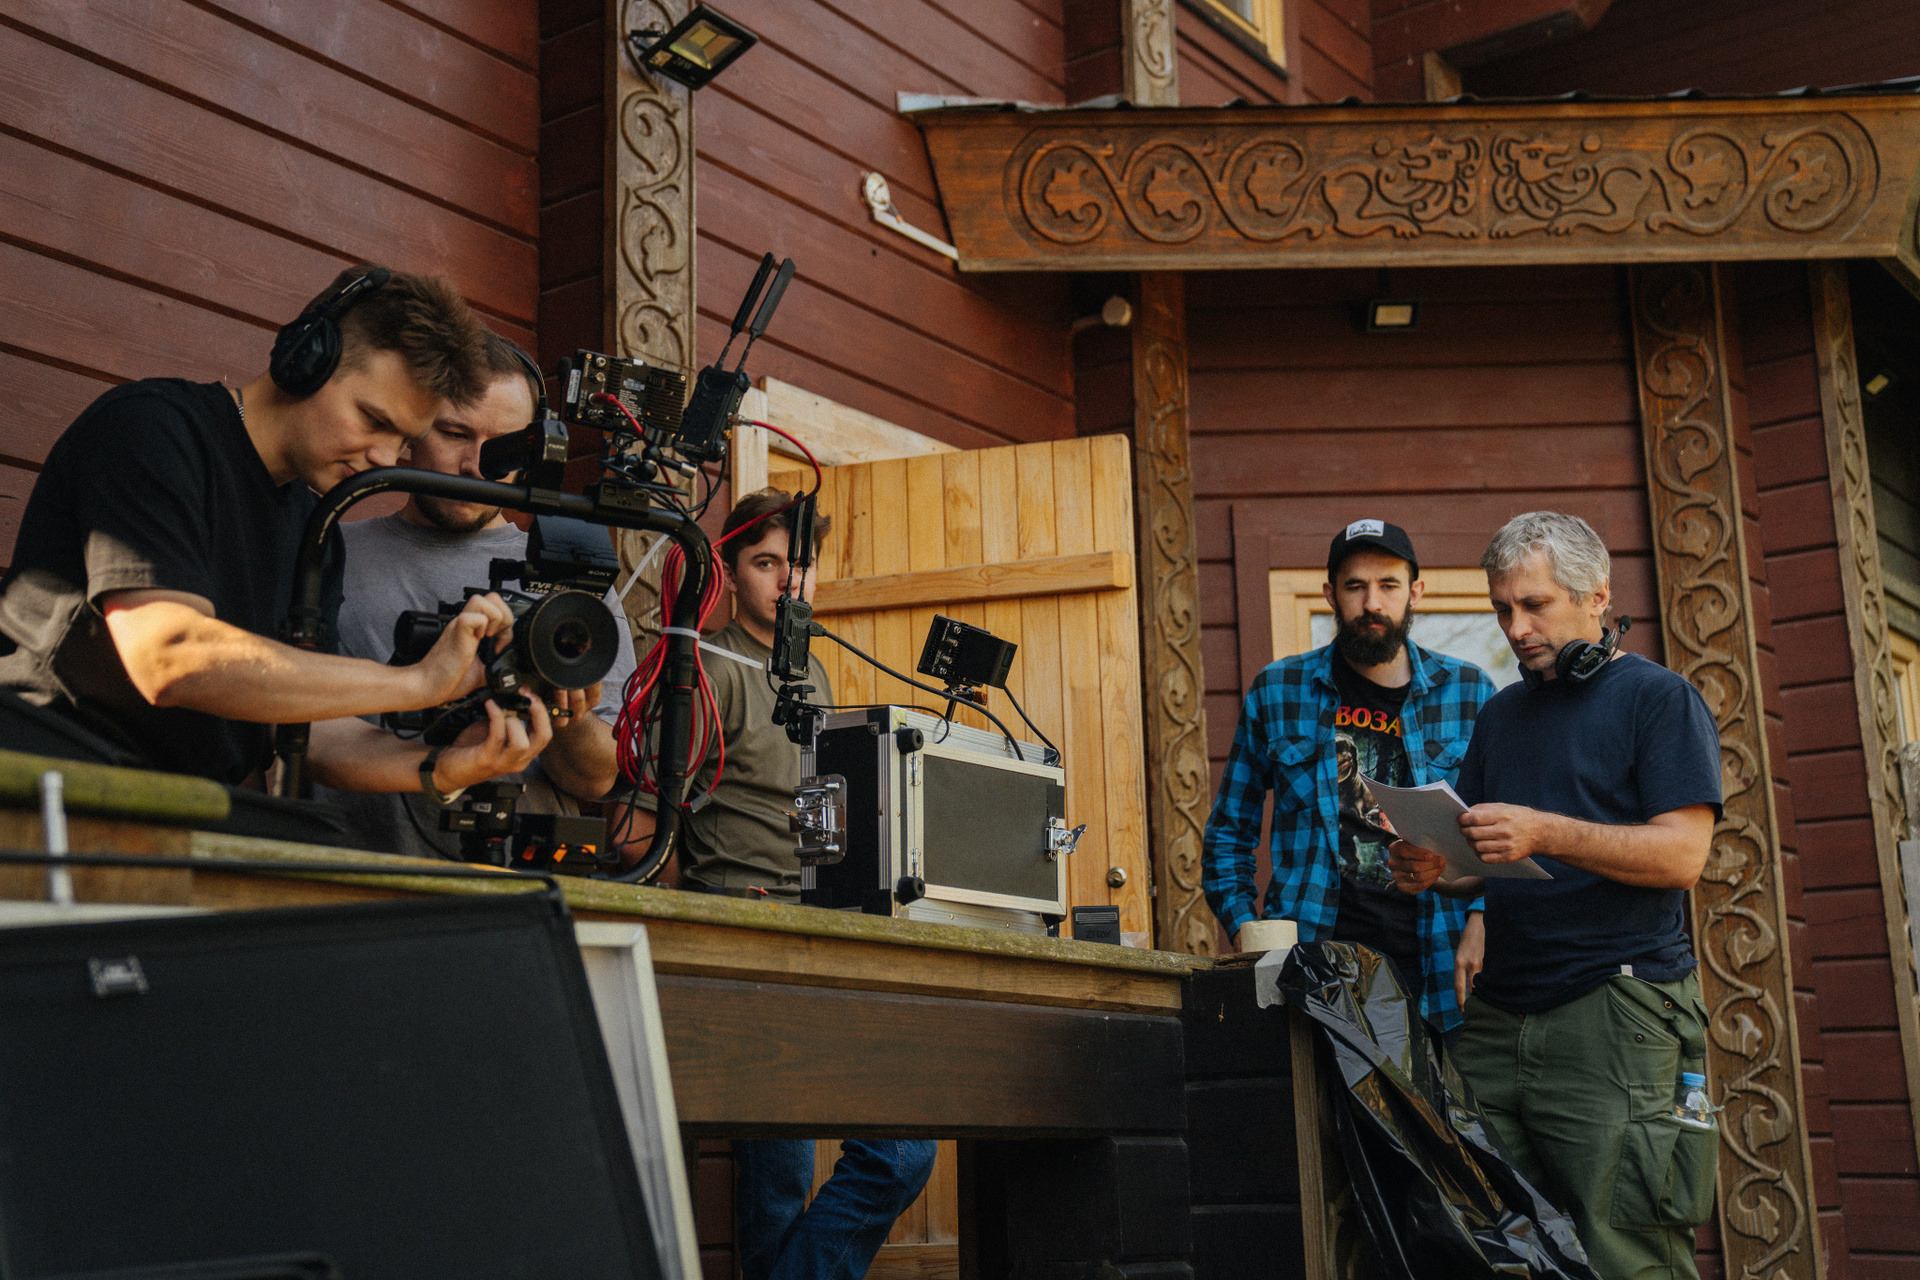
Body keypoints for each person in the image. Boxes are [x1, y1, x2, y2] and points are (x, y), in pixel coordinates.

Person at [0, 265, 524, 802]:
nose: (385, 459)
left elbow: (313, 731)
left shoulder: (317, 530)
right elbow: (169, 656)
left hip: (198, 812)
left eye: (404, 440)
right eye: (375, 421)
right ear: (307, 362)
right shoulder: (152, 431)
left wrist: (447, 766)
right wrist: (417, 683)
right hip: (51, 789)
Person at [1388, 511, 1722, 1280]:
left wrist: (1544, 831)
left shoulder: (1659, 699)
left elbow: (1683, 855)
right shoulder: (1502, 714)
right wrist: (1439, 869)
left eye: (1534, 605)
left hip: (1615, 1012)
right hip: (1498, 1018)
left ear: (1596, 595)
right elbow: (1485, 860)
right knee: (1492, 1242)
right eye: (1502, 608)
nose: (1516, 628)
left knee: (1624, 1252)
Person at [627, 487, 937, 1280]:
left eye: (800, 562)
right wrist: (686, 937)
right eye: (767, 562)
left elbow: (820, 810)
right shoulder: (709, 666)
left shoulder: (816, 671)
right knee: (778, 1179)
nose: (789, 579)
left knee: (902, 1149)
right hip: (745, 931)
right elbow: (655, 819)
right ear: (731, 571)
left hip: (825, 926)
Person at [307, 336, 636, 858]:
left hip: (516, 885)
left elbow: (597, 780)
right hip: (352, 873)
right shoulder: (329, 549)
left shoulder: (572, 576)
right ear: (412, 428)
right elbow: (296, 734)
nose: (476, 465)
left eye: (504, 445)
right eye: (455, 434)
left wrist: (562, 710)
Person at [1201, 518, 1495, 1037]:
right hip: (1311, 971)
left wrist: (1482, 916)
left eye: (1389, 585)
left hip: (1438, 971)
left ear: (1415, 593)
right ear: (1330, 594)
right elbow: (1228, 834)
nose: (1372, 602)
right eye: (1355, 586)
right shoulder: (1278, 691)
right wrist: (1249, 933)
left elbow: (1502, 831)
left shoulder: (1470, 692)